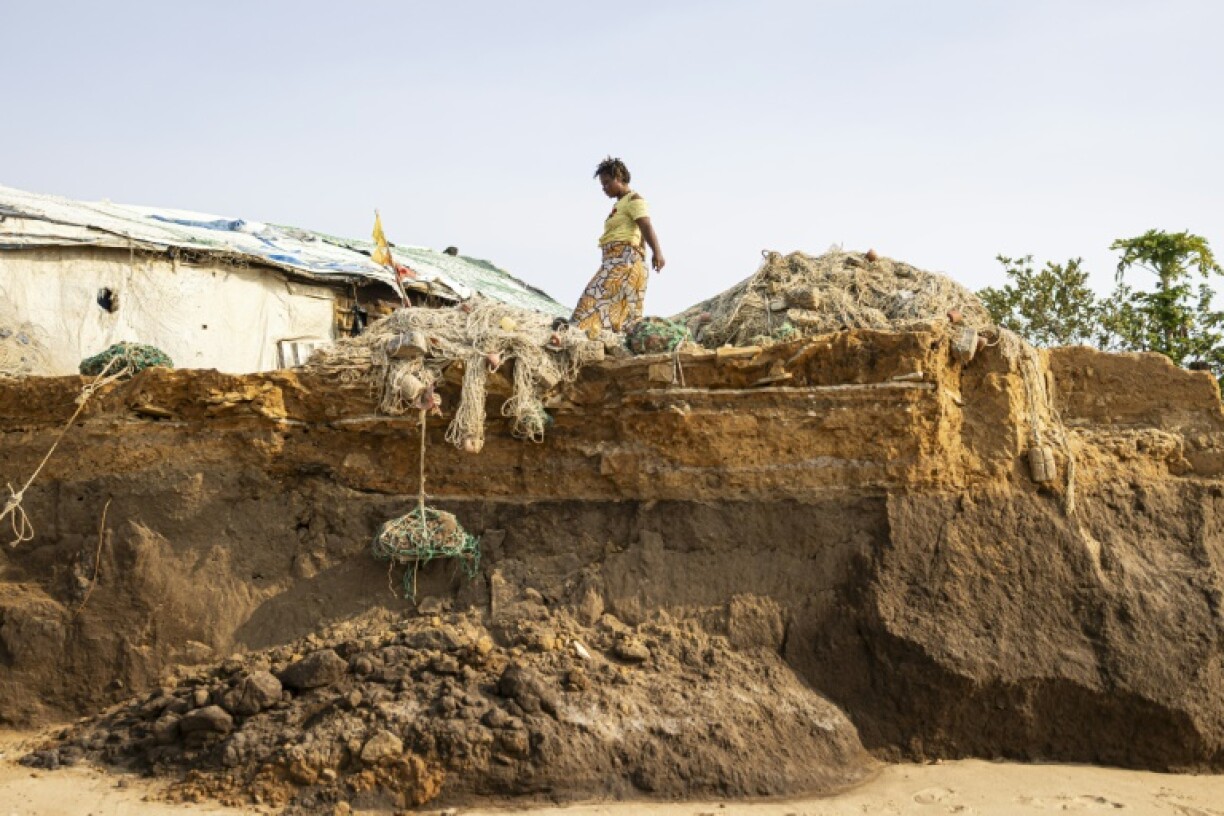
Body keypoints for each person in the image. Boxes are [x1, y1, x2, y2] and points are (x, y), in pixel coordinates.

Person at [571, 156, 665, 337]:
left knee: (589, 302)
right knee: (614, 313)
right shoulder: (620, 205)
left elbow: (645, 226)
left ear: (619, 177)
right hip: (614, 261)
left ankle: (577, 338)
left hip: (623, 262)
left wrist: (657, 253)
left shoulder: (634, 200)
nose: (604, 189)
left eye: (607, 183)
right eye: (602, 185)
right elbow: (639, 233)